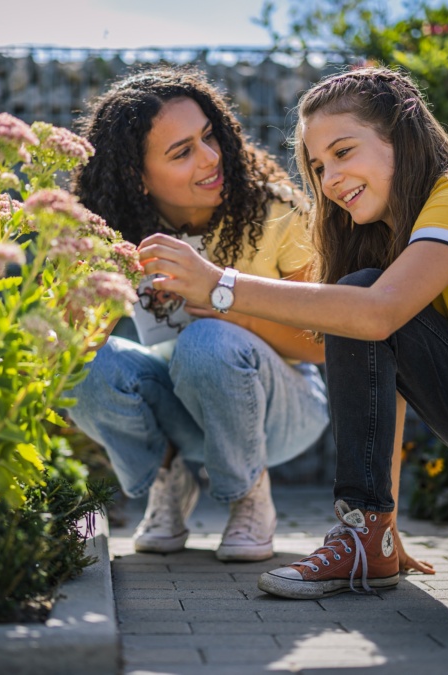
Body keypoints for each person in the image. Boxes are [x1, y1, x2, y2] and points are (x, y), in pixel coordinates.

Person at [136, 66, 448, 602]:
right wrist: (386, 520)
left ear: (400, 139)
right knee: (353, 296)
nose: (329, 179)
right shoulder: (383, 235)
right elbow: (380, 368)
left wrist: (221, 286)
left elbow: (380, 312)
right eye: (316, 166)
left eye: (343, 152)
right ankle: (365, 533)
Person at [66, 67, 331, 562]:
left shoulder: (275, 211)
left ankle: (251, 493)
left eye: (208, 136)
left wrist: (223, 302)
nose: (211, 158)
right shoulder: (119, 231)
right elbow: (77, 351)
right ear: (136, 177)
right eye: (182, 152)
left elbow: (322, 343)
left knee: (208, 339)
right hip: (184, 407)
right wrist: (97, 286)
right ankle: (169, 475)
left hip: (285, 408)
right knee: (83, 367)